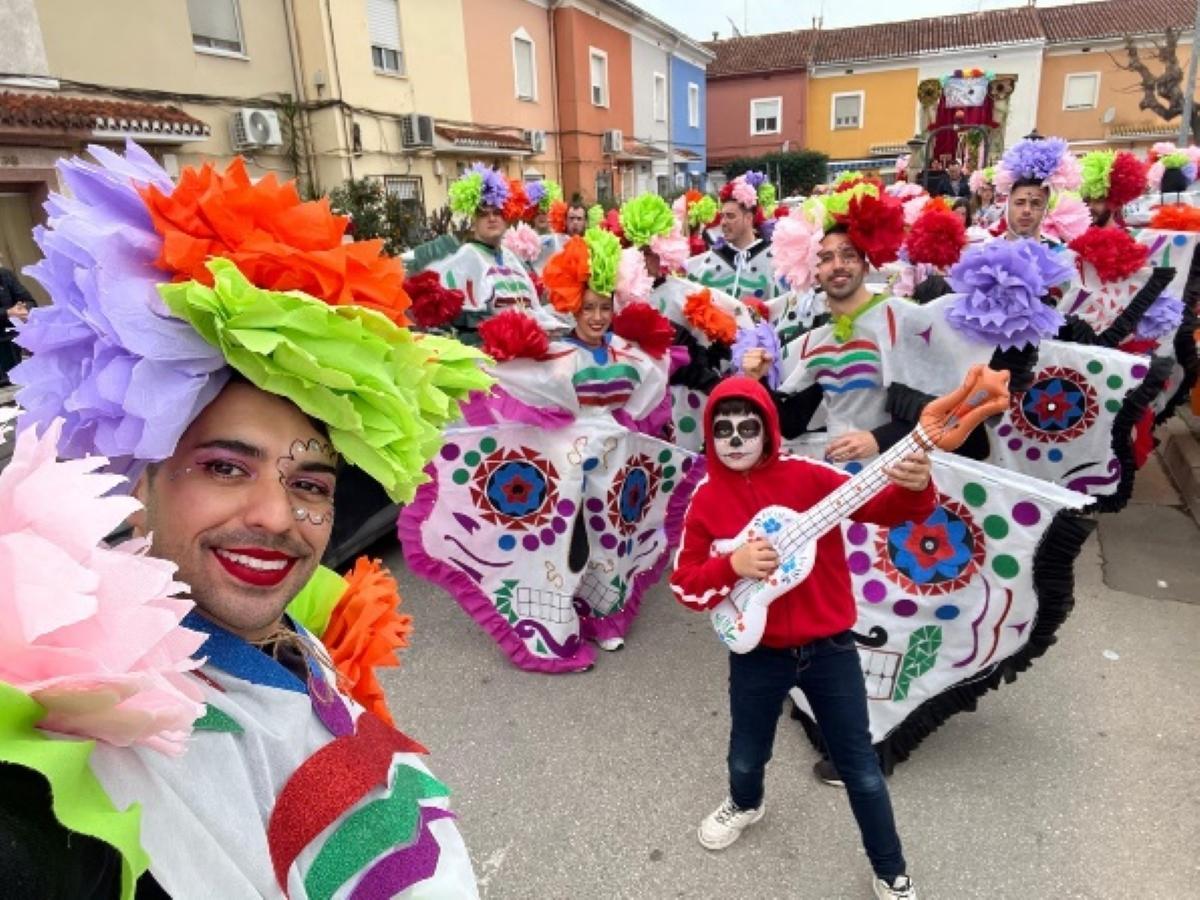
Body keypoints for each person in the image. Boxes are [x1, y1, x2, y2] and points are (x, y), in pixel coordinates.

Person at [1, 141, 490, 898]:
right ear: (139, 481)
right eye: (226, 467)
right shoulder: (73, 738)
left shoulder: (291, 635)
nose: (278, 516)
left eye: (310, 483)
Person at [669, 376, 932, 900]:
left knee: (860, 767)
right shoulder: (704, 500)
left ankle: (891, 870)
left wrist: (916, 485)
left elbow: (886, 511)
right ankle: (746, 803)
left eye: (749, 427)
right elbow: (684, 584)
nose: (737, 438)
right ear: (709, 435)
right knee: (746, 752)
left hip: (829, 648)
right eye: (723, 429)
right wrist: (732, 565)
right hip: (756, 653)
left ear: (768, 430)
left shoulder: (809, 477)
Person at [400, 225, 699, 673]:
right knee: (557, 544)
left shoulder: (631, 354)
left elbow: (652, 389)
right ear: (571, 307)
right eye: (588, 308)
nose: (597, 317)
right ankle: (554, 625)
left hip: (616, 465)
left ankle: (606, 615)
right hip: (566, 465)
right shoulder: (557, 356)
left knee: (611, 540)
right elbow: (502, 376)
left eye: (604, 308)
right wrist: (444, 358)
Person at [430, 164, 563, 331]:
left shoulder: (510, 257)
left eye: (497, 212)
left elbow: (534, 309)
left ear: (507, 216)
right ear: (473, 222)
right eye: (483, 214)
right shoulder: (466, 256)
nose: (492, 218)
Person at [686, 170, 783, 300]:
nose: (723, 222)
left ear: (749, 218)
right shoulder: (711, 260)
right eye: (722, 216)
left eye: (730, 216)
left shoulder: (773, 260)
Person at [1078, 149, 1148, 228]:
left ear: (1115, 203)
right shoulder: (1073, 237)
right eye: (1086, 200)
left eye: (1098, 200)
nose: (1090, 206)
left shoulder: (1128, 238)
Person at [0, 254, 34, 384]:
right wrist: (7, 313)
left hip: (13, 340)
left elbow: (28, 300)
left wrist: (24, 309)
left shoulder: (5, 275)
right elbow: (9, 312)